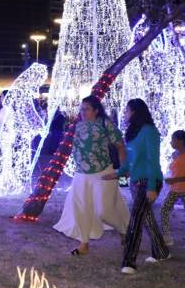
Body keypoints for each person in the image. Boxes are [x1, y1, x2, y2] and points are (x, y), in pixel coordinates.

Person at [54, 95, 129, 256]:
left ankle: (124, 230)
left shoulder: (105, 124)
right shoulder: (78, 126)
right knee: (81, 209)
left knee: (104, 211)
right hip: (81, 174)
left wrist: (123, 168)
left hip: (103, 173)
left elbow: (120, 146)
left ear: (96, 110)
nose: (82, 112)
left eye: (86, 109)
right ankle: (84, 243)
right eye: (81, 109)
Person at [105, 98, 170, 275]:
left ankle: (129, 261)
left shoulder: (149, 131)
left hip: (148, 181)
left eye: (126, 111)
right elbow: (131, 160)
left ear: (135, 112)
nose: (124, 114)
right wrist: (118, 173)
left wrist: (151, 187)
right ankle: (161, 251)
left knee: (135, 221)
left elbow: (152, 160)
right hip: (135, 182)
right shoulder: (133, 132)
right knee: (147, 218)